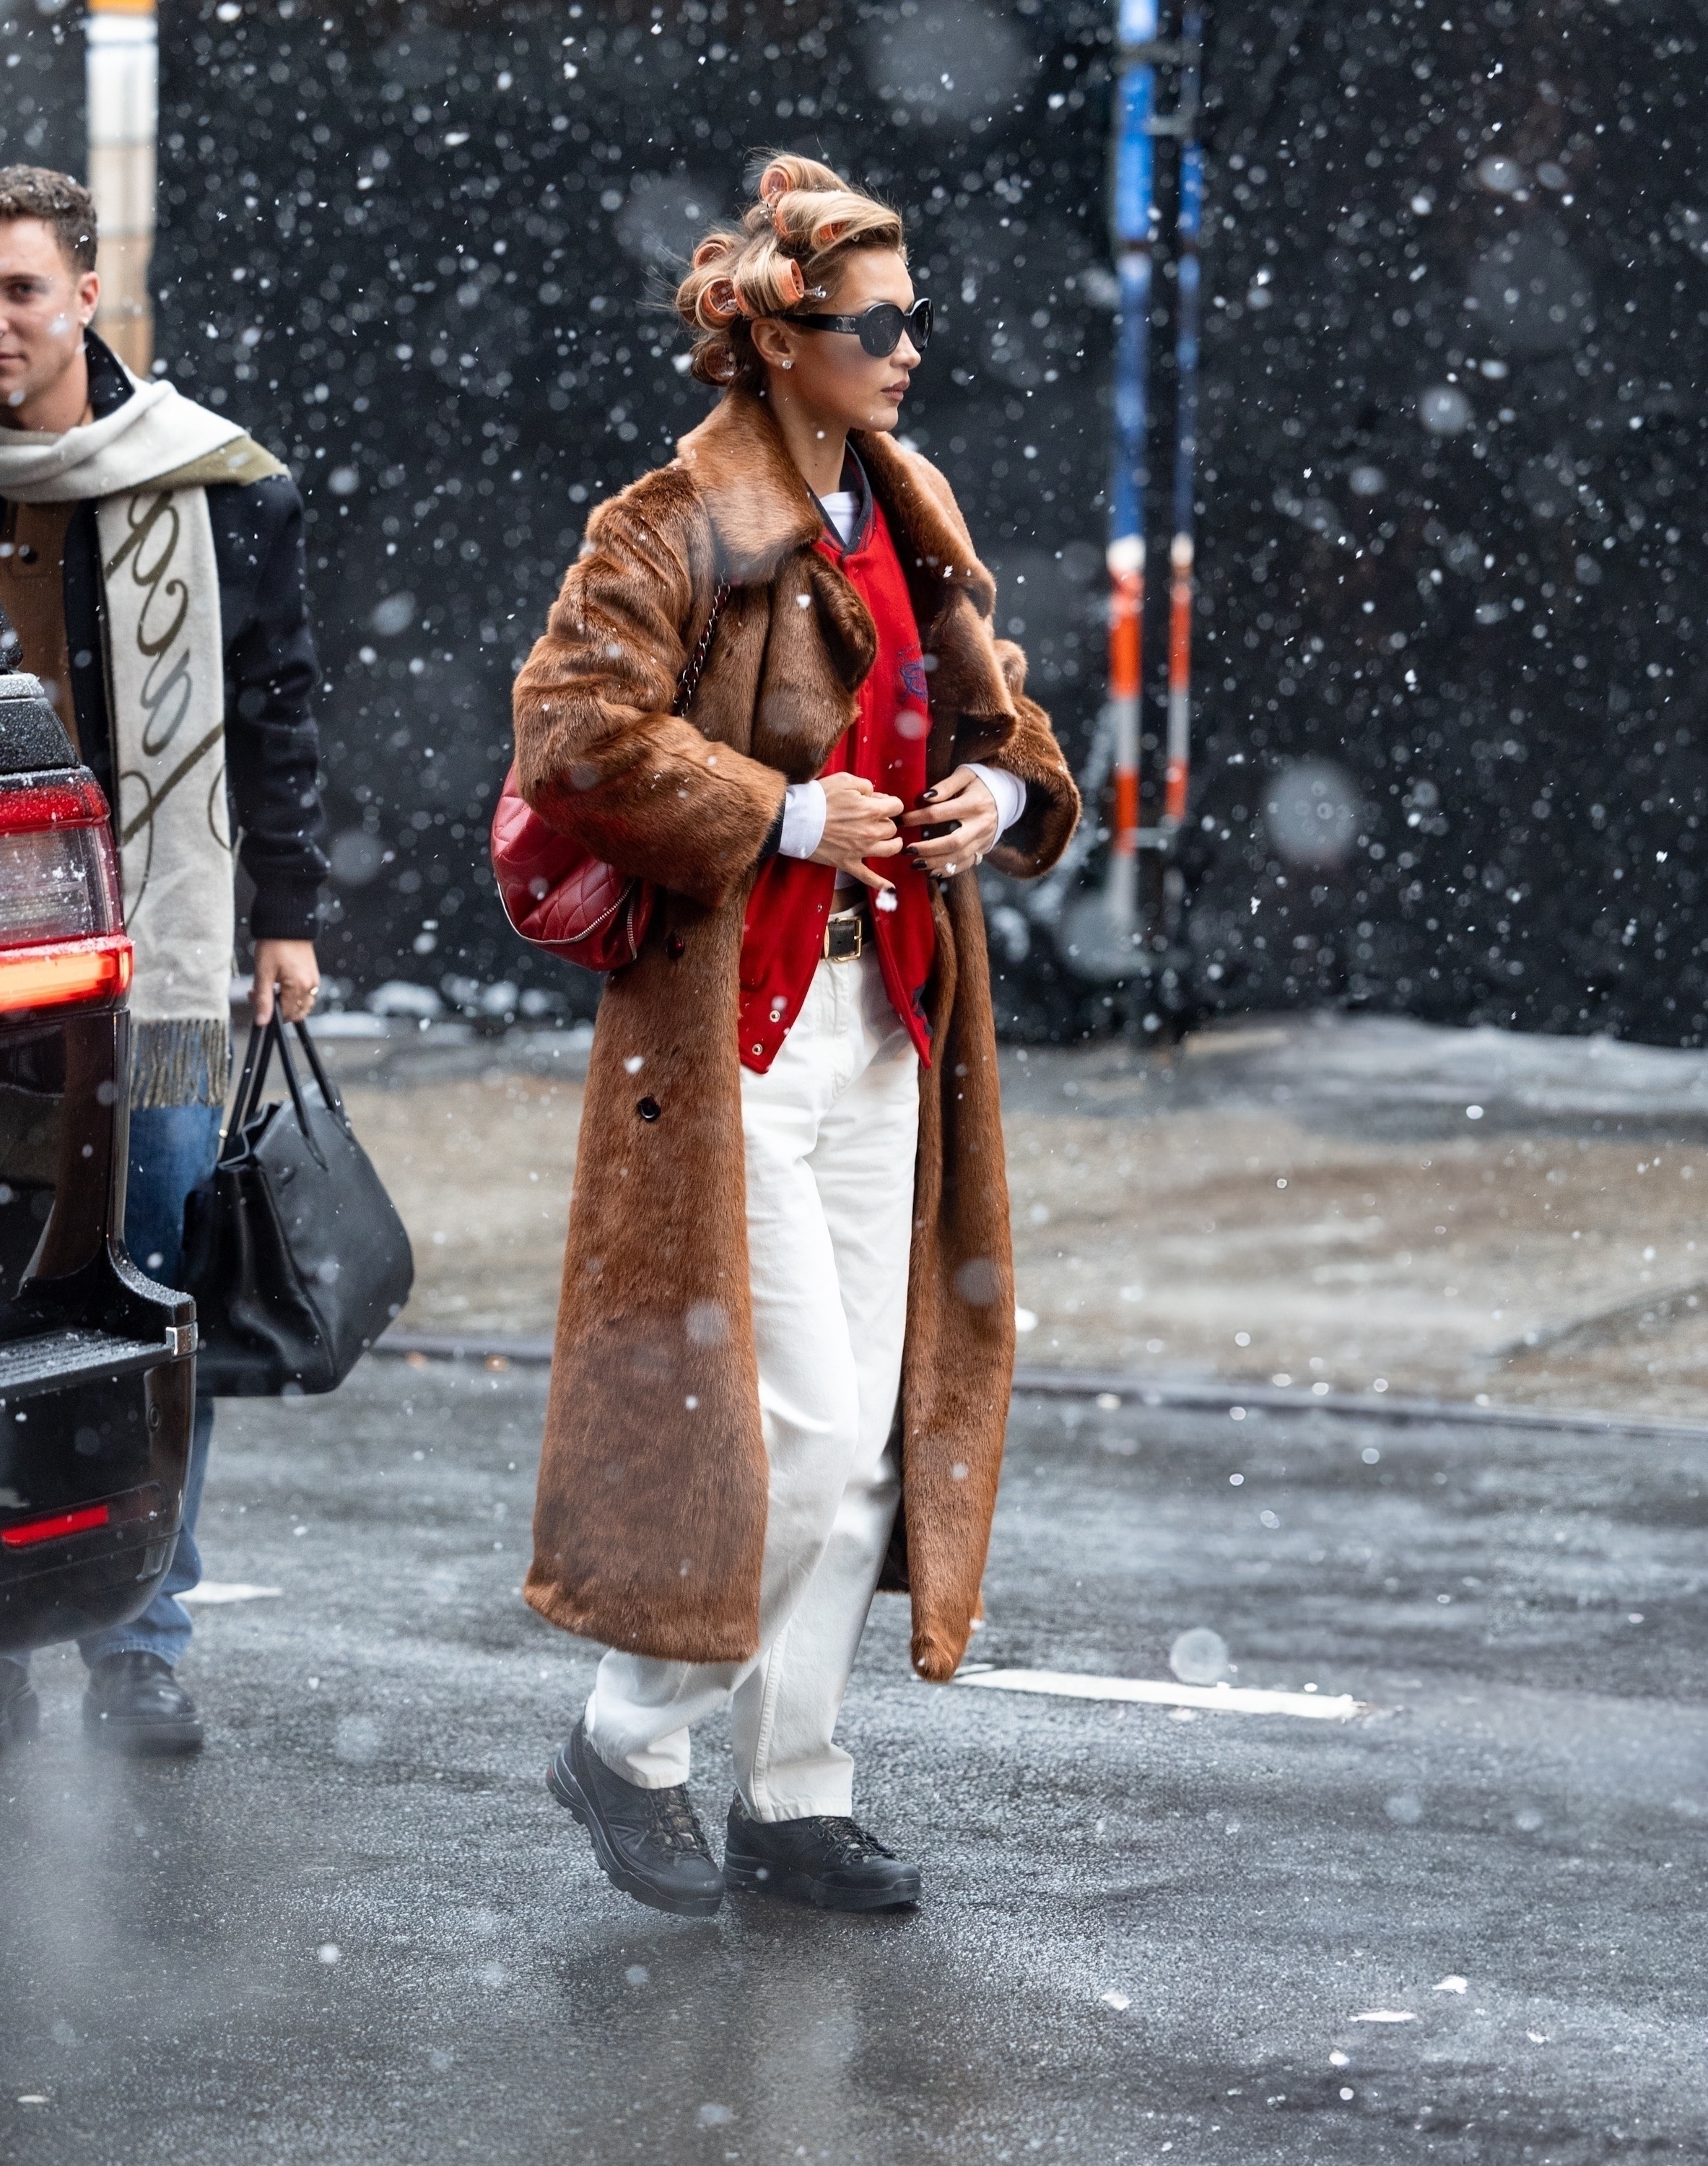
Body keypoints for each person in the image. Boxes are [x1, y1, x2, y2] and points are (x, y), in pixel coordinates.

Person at [513, 155, 1079, 1915]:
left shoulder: (910, 506)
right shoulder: (664, 524)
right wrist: (782, 814)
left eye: (914, 320)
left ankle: (795, 1793)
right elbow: (570, 730)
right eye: (877, 324)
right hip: (729, 1036)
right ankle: (625, 1740)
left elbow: (1009, 726)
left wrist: (994, 791)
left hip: (889, 1020)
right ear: (777, 342)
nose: (908, 351)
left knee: (878, 1426)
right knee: (814, 1434)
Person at [0, 167, 328, 1756]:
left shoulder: (220, 485)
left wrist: (293, 918)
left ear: (87, 294)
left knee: (151, 1284)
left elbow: (279, 710)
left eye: (18, 289)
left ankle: (142, 1641)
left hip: (159, 976)